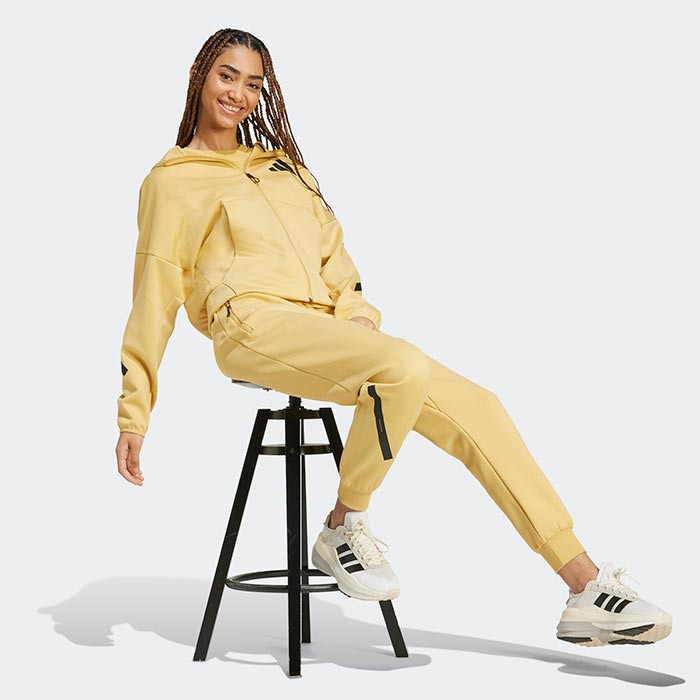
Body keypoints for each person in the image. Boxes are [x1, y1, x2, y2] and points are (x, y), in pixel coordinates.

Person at [115, 28, 672, 647]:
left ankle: (584, 588)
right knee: (401, 367)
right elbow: (153, 296)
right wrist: (135, 412)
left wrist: (356, 312)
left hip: (324, 329)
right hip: (249, 324)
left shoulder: (284, 169)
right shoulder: (171, 181)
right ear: (200, 75)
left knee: (480, 405)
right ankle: (343, 525)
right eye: (227, 76)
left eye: (252, 83)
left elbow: (336, 258)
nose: (238, 94)